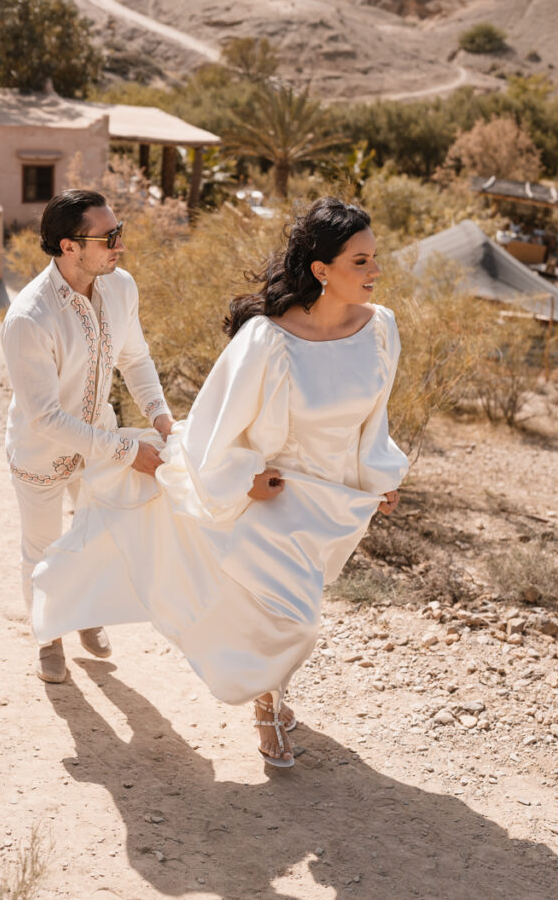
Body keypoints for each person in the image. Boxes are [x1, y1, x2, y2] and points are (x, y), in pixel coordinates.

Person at [32, 196, 408, 766]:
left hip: (335, 501)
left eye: (375, 258)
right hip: (275, 496)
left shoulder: (380, 330)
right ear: (321, 270)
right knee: (295, 620)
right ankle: (267, 707)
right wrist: (245, 478)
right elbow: (212, 429)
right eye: (360, 261)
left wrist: (378, 480)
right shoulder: (268, 339)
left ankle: (273, 695)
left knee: (290, 611)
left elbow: (373, 418)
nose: (376, 271)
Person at [1, 189, 173, 684]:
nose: (119, 245)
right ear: (68, 245)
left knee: (95, 536)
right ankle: (48, 637)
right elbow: (46, 418)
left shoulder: (120, 287)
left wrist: (161, 418)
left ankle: (83, 612)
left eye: (119, 232)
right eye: (109, 237)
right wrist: (127, 449)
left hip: (98, 447)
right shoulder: (29, 319)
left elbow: (135, 358)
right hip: (42, 454)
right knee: (42, 548)